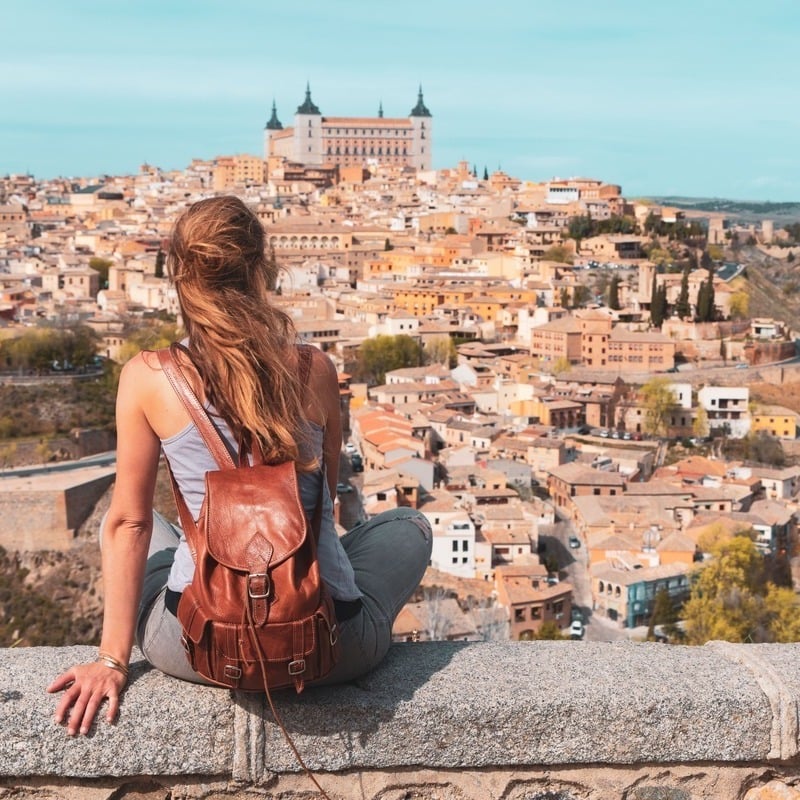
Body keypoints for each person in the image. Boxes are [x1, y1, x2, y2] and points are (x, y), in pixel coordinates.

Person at [48, 196, 432, 736]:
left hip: (197, 650)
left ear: (179, 275)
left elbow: (128, 524)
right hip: (331, 648)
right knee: (409, 527)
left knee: (152, 526)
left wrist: (112, 659)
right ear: (260, 270)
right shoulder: (315, 369)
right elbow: (324, 498)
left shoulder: (147, 377)